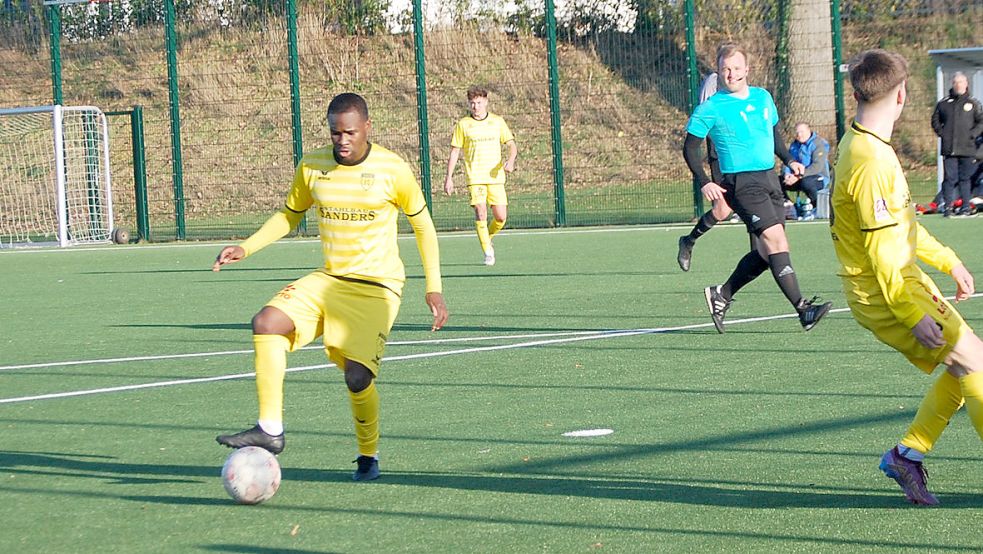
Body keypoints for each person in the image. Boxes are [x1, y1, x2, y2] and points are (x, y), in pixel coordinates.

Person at [212, 93, 449, 481]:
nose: (342, 140)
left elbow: (423, 226)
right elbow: (289, 215)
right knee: (267, 322)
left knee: (357, 377)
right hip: (329, 279)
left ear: (367, 128)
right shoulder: (313, 166)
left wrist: (433, 287)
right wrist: (246, 246)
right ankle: (270, 430)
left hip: (377, 286)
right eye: (335, 132)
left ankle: (368, 455)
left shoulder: (393, 169)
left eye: (350, 132)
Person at [832, 49, 983, 506]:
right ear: (902, 96)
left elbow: (902, 229)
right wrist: (910, 311)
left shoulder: (862, 143)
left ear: (858, 94)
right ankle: (907, 454)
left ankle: (907, 455)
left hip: (898, 282)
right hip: (889, 292)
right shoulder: (873, 161)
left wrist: (946, 259)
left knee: (965, 367)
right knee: (978, 365)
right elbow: (882, 253)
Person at [682, 42, 832, 333]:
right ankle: (803, 310)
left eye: (737, 68)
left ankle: (721, 294)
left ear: (747, 70)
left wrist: (789, 160)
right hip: (741, 184)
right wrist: (705, 180)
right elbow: (690, 147)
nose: (731, 74)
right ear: (718, 71)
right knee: (777, 242)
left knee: (767, 254)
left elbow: (773, 135)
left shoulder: (764, 98)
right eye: (726, 68)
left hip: (769, 178)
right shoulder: (711, 108)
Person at [444, 86, 518, 266]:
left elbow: (511, 145)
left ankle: (487, 237)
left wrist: (511, 160)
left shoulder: (497, 122)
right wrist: (449, 177)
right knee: (481, 210)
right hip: (475, 177)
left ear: (486, 101)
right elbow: (455, 151)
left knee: (500, 217)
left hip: (496, 177)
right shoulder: (463, 125)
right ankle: (488, 251)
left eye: (478, 102)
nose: (476, 107)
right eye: (472, 103)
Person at [677, 71, 738, 272]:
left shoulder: (743, 83)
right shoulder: (713, 81)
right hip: (721, 153)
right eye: (728, 67)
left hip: (743, 152)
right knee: (722, 209)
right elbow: (706, 115)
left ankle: (765, 260)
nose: (732, 71)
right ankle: (688, 241)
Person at [931, 71, 983, 217]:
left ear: (966, 84)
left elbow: (981, 122)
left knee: (965, 179)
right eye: (956, 82)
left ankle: (965, 207)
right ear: (952, 84)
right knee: (949, 178)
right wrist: (943, 134)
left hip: (967, 148)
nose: (958, 85)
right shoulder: (943, 104)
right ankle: (947, 207)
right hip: (950, 149)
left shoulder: (973, 103)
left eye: (961, 82)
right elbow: (935, 121)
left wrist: (972, 135)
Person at [782, 122, 830, 218]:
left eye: (802, 132)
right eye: (797, 133)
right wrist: (787, 174)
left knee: (807, 183)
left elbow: (817, 167)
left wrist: (799, 176)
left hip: (817, 177)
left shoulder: (819, 144)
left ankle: (817, 209)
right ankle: (789, 207)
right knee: (776, 181)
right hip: (798, 178)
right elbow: (788, 162)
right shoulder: (794, 145)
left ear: (809, 131)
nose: (799, 135)